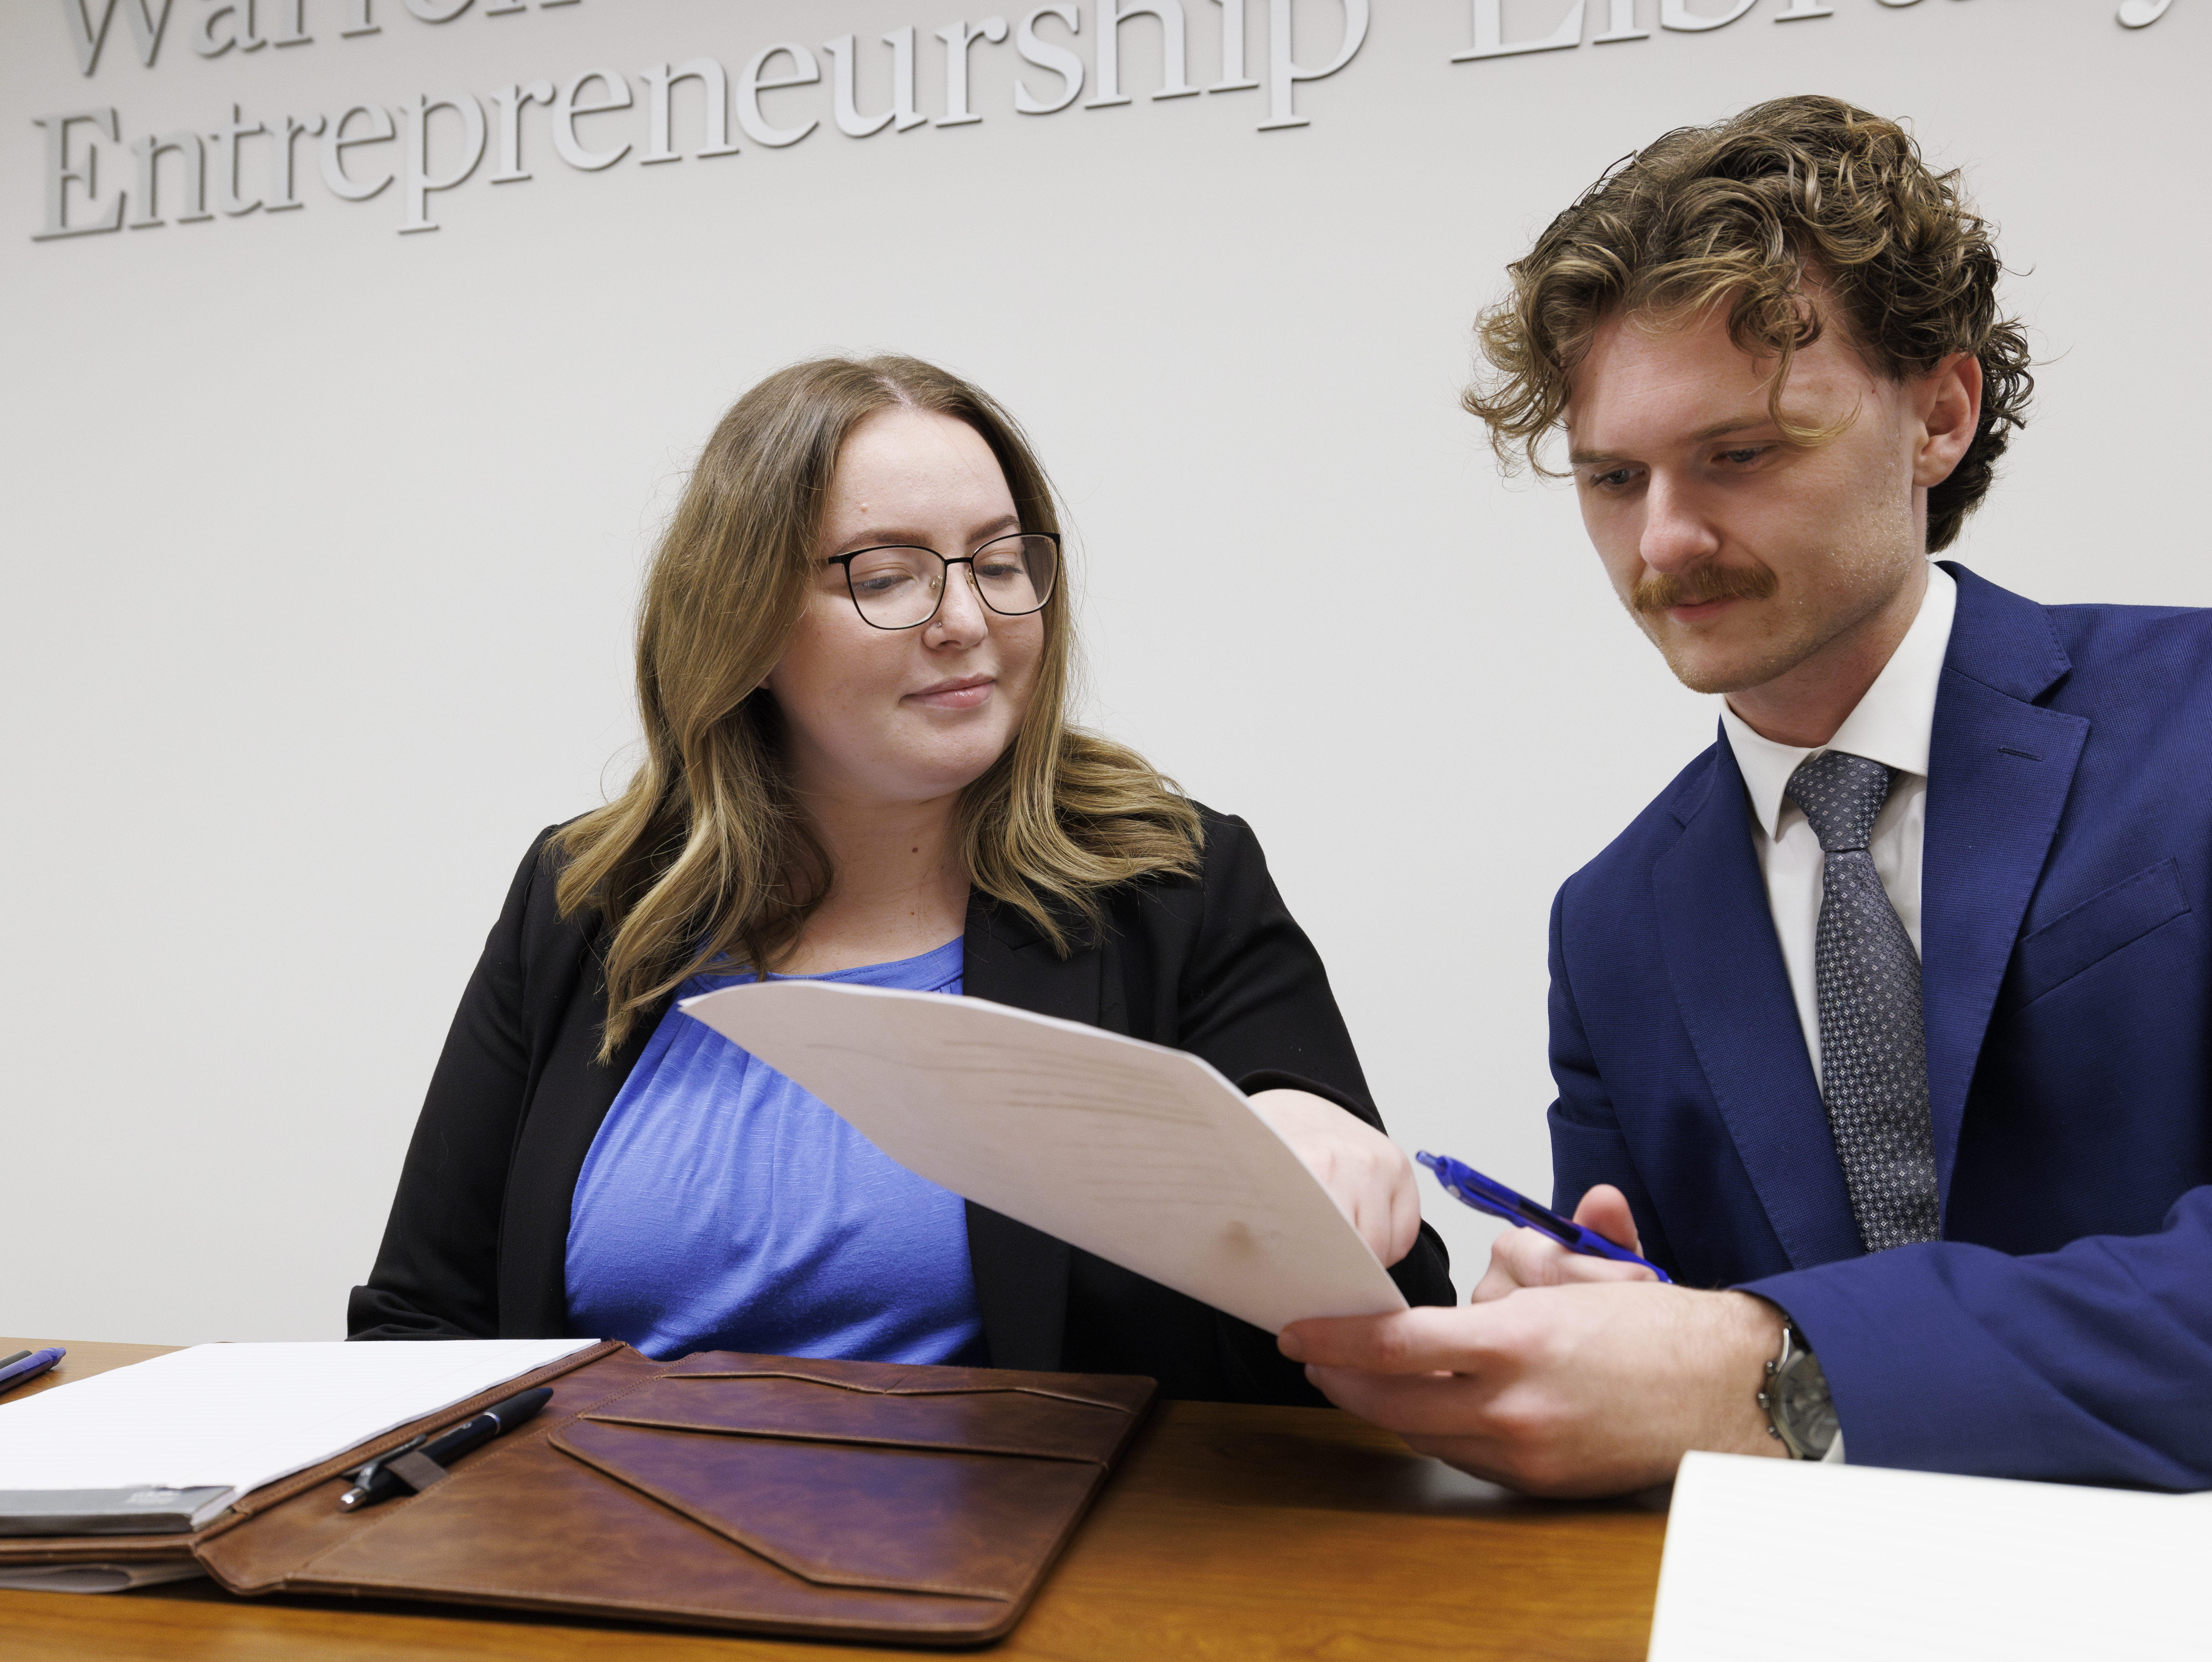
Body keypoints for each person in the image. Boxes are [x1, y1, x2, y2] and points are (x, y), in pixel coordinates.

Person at [1282, 96, 2212, 1492]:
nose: (1663, 539)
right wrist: (1582, 1333)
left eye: (1740, 453)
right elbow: (1666, 1362)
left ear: (1940, 415)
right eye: (1613, 477)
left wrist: (1763, 1366)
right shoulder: (1613, 922)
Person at [350, 355, 1452, 1400]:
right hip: (598, 1532)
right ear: (744, 624)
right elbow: (420, 1325)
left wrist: (1314, 1152)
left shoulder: (1172, 885)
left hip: (1037, 1536)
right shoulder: (586, 899)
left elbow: (1388, 1333)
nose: (967, 622)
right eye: (887, 577)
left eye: (1001, 564)